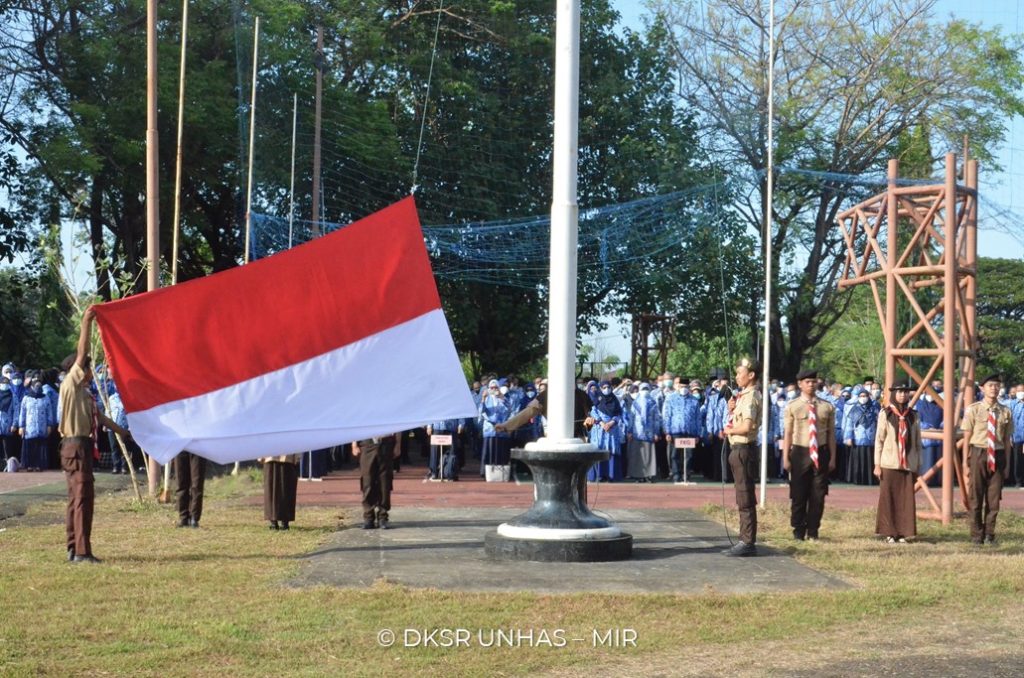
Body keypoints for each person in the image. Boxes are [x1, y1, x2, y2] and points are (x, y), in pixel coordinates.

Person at [58, 307, 130, 563]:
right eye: (89, 368)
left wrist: (124, 432)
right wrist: (87, 322)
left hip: (79, 446)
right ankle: (81, 551)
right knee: (82, 499)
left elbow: (101, 418)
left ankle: (72, 547)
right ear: (81, 370)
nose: (92, 372)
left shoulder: (85, 394)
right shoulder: (72, 384)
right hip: (76, 446)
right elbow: (83, 352)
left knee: (75, 499)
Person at [960, 374, 1014, 545]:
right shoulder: (973, 409)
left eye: (997, 385)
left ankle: (990, 534)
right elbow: (967, 438)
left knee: (994, 498)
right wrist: (964, 462)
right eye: (990, 385)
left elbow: (1006, 440)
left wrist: (1007, 464)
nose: (994, 388)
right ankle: (977, 535)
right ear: (982, 388)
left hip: (997, 455)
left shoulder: (1005, 411)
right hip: (978, 453)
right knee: (975, 497)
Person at [783, 368, 836, 541]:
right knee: (799, 494)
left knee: (818, 495)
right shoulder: (793, 406)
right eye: (807, 382)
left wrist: (833, 457)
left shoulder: (826, 407)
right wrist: (786, 457)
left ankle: (813, 530)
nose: (811, 385)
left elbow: (831, 435)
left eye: (814, 381)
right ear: (800, 384)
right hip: (800, 451)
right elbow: (788, 433)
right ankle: (798, 530)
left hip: (821, 452)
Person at [722, 358, 762, 556]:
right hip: (736, 449)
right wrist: (731, 410)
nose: (737, 377)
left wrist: (728, 429)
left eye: (740, 373)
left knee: (745, 496)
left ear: (751, 375)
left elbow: (746, 427)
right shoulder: (742, 396)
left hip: (743, 449)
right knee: (741, 495)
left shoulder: (751, 396)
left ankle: (747, 542)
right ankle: (744, 538)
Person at [874, 383, 921, 543]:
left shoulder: (913, 415)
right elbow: (879, 440)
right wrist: (877, 464)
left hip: (908, 463)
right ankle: (889, 532)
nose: (903, 395)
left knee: (906, 499)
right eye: (900, 392)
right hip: (889, 463)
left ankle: (904, 532)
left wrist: (917, 464)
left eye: (906, 392)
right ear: (894, 394)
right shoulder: (886, 414)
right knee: (889, 498)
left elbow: (917, 441)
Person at [353, 433, 401, 529]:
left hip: (386, 442)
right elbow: (356, 423)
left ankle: (383, 517)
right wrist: (354, 444)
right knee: (367, 481)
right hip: (367, 443)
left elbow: (397, 426)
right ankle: (368, 517)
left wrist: (398, 445)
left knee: (385, 482)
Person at [588, 380, 625, 482]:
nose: (606, 389)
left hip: (612, 430)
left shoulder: (615, 400)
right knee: (599, 450)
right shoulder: (597, 399)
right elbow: (593, 412)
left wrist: (611, 423)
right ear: (600, 388)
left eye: (608, 387)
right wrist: (602, 423)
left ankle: (611, 475)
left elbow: (619, 414)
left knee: (611, 451)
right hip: (599, 430)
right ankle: (599, 476)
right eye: (603, 387)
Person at [18, 377, 55, 471]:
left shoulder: (45, 397)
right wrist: (21, 426)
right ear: (32, 386)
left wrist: (50, 425)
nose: (37, 387)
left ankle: (39, 465)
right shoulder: (26, 398)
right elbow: (22, 413)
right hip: (29, 428)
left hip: (42, 427)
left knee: (40, 447)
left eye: (39, 385)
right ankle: (29, 465)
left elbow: (49, 412)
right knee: (30, 447)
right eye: (36, 385)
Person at [626, 382, 660, 483]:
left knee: (649, 455)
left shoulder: (653, 402)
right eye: (643, 389)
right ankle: (638, 476)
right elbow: (631, 418)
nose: (644, 391)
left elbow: (656, 419)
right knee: (638, 456)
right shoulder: (635, 403)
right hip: (637, 432)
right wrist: (630, 431)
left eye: (646, 389)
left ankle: (649, 475)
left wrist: (656, 433)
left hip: (650, 433)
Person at [479, 379, 512, 481]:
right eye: (491, 388)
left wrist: (501, 397)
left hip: (501, 428)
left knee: (501, 451)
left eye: (495, 387)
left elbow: (509, 410)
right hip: (489, 429)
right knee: (488, 450)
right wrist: (483, 399)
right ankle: (486, 472)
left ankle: (501, 473)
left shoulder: (503, 398)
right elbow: (481, 411)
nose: (494, 389)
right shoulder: (487, 398)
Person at [843, 389, 878, 485]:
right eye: (861, 396)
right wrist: (849, 437)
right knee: (858, 459)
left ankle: (871, 479)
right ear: (858, 397)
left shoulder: (874, 408)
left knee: (870, 459)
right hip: (858, 438)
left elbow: (878, 423)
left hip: (871, 438)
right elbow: (849, 424)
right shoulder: (853, 409)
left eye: (865, 396)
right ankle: (857, 479)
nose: (863, 398)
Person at [260, 453, 300, 530]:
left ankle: (280, 521)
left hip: (283, 454)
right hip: (275, 454)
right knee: (278, 487)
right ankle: (277, 521)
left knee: (284, 487)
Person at [174, 451, 207, 528]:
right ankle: (183, 517)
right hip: (180, 447)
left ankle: (194, 518)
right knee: (181, 483)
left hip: (198, 447)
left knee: (197, 484)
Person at [1010, 383, 1024, 489]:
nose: (1020, 393)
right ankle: (1018, 481)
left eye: (1022, 391)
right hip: (1017, 437)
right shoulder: (1013, 404)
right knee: (1017, 459)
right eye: (1018, 391)